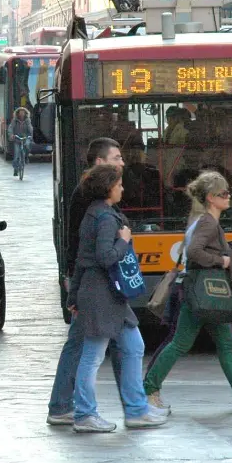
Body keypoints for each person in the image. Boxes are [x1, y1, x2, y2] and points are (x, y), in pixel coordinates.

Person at [143, 172, 232, 415]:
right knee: (180, 344)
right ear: (210, 198)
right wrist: (222, 261)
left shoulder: (205, 221)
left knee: (224, 343)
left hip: (203, 294)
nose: (229, 197)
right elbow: (195, 252)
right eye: (223, 193)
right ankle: (149, 389)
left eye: (228, 192)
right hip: (203, 295)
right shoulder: (208, 222)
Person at [66, 165, 167, 433]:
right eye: (119, 184)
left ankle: (136, 410)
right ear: (109, 187)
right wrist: (124, 241)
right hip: (102, 295)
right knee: (93, 355)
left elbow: (81, 259)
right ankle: (85, 413)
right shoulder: (106, 218)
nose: (123, 188)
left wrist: (73, 294)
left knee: (133, 346)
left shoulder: (95, 214)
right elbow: (104, 257)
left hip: (105, 294)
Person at [47, 138, 126, 424]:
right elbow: (84, 246)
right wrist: (73, 282)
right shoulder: (92, 199)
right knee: (84, 345)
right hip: (93, 284)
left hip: (93, 282)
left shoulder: (94, 196)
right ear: (100, 163)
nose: (122, 163)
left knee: (124, 345)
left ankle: (136, 403)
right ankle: (64, 407)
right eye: (116, 158)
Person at [8, 107, 33, 175]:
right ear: (18, 113)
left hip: (25, 137)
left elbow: (30, 128)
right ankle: (15, 169)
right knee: (16, 155)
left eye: (23, 112)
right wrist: (11, 134)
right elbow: (11, 128)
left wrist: (31, 135)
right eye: (20, 112)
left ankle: (26, 157)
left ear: (25, 113)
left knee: (27, 145)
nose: (22, 114)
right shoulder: (14, 120)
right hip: (17, 138)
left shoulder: (27, 120)